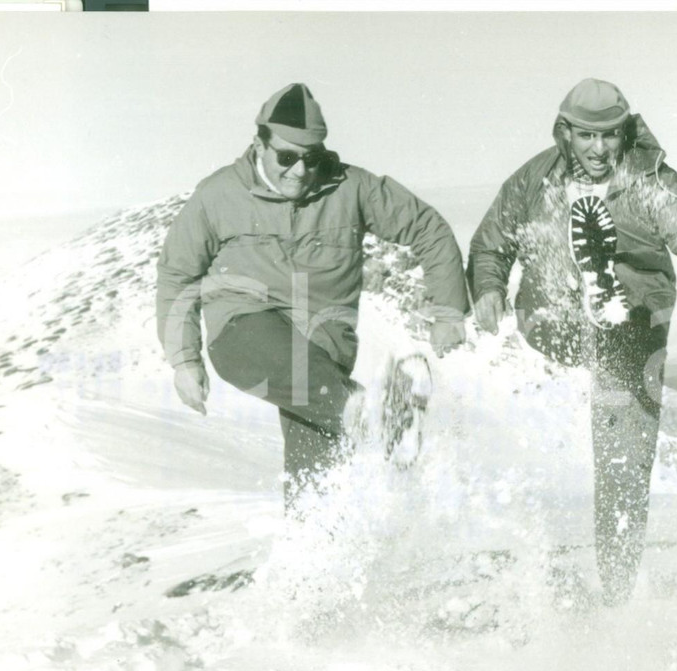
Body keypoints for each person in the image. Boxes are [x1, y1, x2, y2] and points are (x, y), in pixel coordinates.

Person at [467, 78, 677, 605]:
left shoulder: (649, 180)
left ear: (624, 134)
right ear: (565, 133)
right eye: (586, 137)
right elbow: (490, 244)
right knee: (547, 309)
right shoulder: (534, 179)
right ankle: (588, 285)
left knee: (624, 465)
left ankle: (617, 592)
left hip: (633, 327)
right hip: (552, 319)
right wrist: (488, 289)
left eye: (609, 136)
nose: (598, 149)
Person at [156, 83, 469, 509]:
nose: (300, 171)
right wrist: (184, 360)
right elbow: (177, 274)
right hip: (244, 329)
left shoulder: (352, 188)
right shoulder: (218, 195)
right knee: (321, 390)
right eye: (287, 157)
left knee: (316, 494)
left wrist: (448, 310)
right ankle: (374, 415)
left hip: (323, 347)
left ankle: (320, 544)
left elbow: (428, 228)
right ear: (259, 146)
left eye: (312, 158)